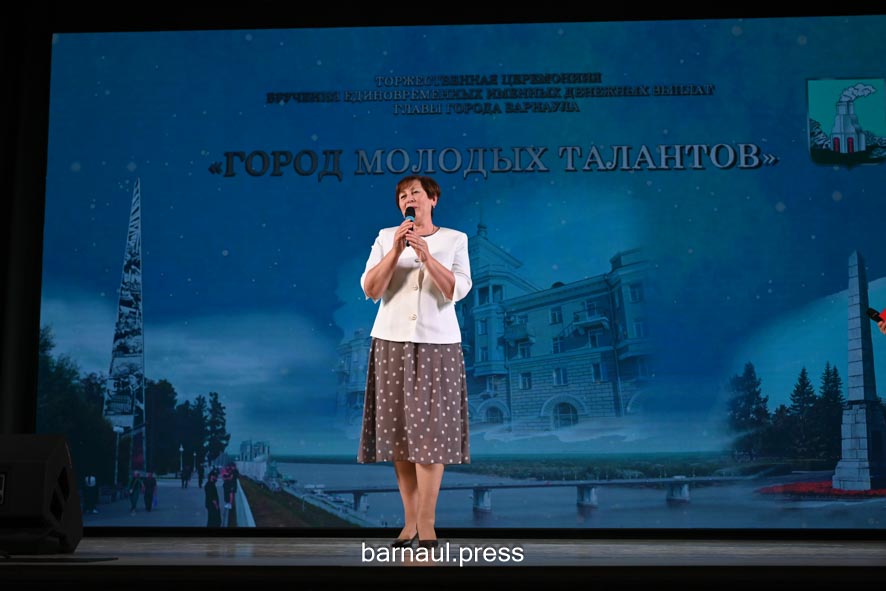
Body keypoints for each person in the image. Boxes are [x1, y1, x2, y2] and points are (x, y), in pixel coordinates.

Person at [357, 175, 472, 549]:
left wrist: (426, 256)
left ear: (433, 199)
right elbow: (371, 289)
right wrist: (395, 250)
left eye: (416, 193)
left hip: (438, 344)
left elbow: (457, 290)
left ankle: (427, 522)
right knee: (400, 437)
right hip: (390, 342)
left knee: (431, 437)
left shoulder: (455, 239)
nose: (409, 198)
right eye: (403, 195)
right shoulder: (385, 236)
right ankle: (409, 523)